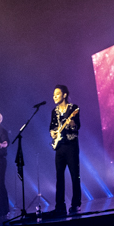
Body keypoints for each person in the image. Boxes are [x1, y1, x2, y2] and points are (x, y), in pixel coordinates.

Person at [49, 85, 82, 217]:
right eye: (53, 95)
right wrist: (52, 133)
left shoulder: (73, 108)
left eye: (57, 94)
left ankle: (76, 204)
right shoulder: (54, 111)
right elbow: (51, 126)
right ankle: (60, 206)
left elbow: (78, 125)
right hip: (59, 148)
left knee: (75, 175)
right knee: (59, 177)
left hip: (71, 146)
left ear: (64, 95)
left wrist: (73, 124)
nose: (54, 97)